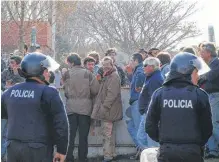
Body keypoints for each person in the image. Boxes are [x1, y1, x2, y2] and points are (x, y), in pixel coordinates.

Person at [1, 53, 69, 162]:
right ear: (39, 72)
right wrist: (62, 150)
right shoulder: (48, 92)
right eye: (46, 71)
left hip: (13, 148)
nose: (49, 74)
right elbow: (61, 124)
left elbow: (4, 114)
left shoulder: (9, 92)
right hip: (38, 149)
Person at [145, 52, 213, 162]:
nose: (198, 76)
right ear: (186, 71)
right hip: (192, 152)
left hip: (166, 152)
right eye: (196, 72)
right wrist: (195, 144)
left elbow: (149, 126)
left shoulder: (160, 93)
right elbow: (207, 128)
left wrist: (164, 141)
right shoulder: (199, 94)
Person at [63, 53, 99, 162]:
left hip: (71, 108)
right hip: (85, 109)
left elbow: (65, 91)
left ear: (72, 63)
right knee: (83, 137)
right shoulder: (88, 74)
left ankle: (69, 157)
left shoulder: (67, 73)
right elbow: (95, 90)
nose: (68, 64)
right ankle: (82, 158)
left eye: (68, 62)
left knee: (70, 136)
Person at [91, 57, 123, 162]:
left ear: (112, 65)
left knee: (107, 134)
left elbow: (111, 95)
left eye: (107, 65)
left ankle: (107, 156)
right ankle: (111, 154)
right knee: (110, 133)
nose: (105, 67)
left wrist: (103, 108)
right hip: (110, 109)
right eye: (103, 65)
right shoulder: (109, 75)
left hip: (108, 110)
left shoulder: (113, 76)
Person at [198, 42, 219, 158]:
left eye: (203, 52)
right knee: (210, 123)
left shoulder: (216, 62)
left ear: (209, 53)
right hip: (209, 95)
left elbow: (210, 76)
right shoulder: (209, 64)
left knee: (213, 123)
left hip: (216, 95)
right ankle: (213, 151)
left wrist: (202, 76)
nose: (200, 54)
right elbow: (202, 79)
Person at [137, 57, 163, 149]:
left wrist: (148, 113)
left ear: (152, 67)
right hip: (147, 113)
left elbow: (155, 99)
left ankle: (154, 157)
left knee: (150, 141)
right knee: (142, 138)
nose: (143, 67)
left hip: (150, 114)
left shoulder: (155, 79)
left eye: (145, 65)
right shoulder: (152, 77)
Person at [126, 53, 145, 160]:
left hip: (137, 102)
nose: (130, 63)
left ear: (136, 61)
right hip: (136, 102)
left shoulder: (139, 71)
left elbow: (138, 86)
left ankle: (143, 151)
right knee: (131, 127)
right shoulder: (137, 71)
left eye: (131, 61)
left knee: (138, 129)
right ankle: (141, 148)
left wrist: (138, 87)